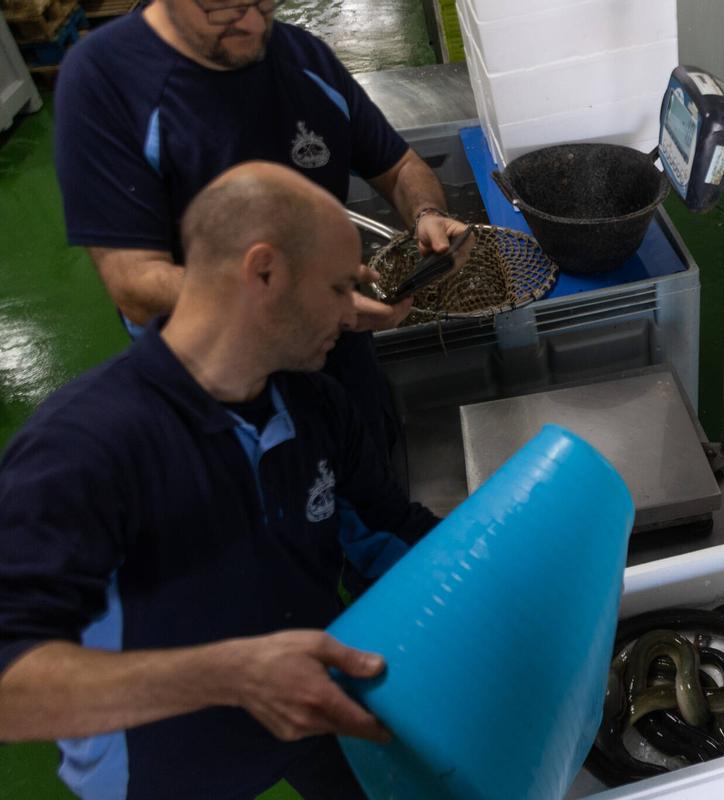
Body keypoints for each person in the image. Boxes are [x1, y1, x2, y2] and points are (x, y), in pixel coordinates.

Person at [0, 163, 441, 799]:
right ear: (263, 272)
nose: (352, 315)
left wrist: (505, 569)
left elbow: (384, 524)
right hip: (162, 762)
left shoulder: (316, 406)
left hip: (307, 699)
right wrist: (230, 677)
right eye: (339, 289)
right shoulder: (82, 449)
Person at [52, 0, 472, 459]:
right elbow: (134, 283)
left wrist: (426, 213)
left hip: (337, 357)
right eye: (223, 8)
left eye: (263, 3)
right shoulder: (106, 79)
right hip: (219, 386)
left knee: (370, 481)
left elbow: (398, 166)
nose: (252, 23)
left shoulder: (303, 58)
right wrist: (300, 301)